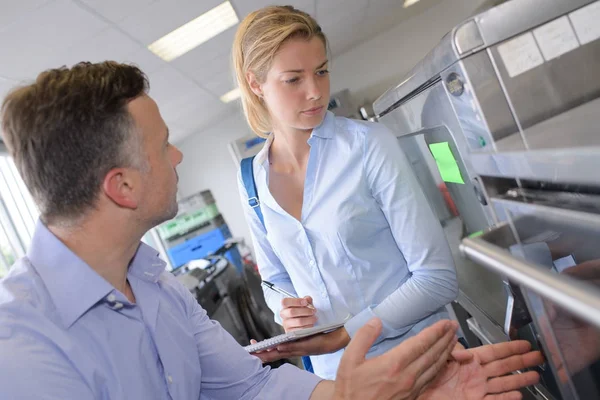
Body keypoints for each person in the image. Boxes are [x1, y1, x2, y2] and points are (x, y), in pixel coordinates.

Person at [0, 61, 542, 399]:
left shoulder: (155, 286)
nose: (179, 154)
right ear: (123, 187)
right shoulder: (23, 348)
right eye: (163, 145)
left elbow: (254, 387)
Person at [233, 5, 458, 378]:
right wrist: (285, 307)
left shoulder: (368, 145)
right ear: (256, 83)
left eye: (321, 72)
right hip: (339, 381)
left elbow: (436, 278)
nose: (315, 92)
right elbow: (273, 277)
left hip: (419, 363)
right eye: (293, 79)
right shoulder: (251, 179)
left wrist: (344, 335)